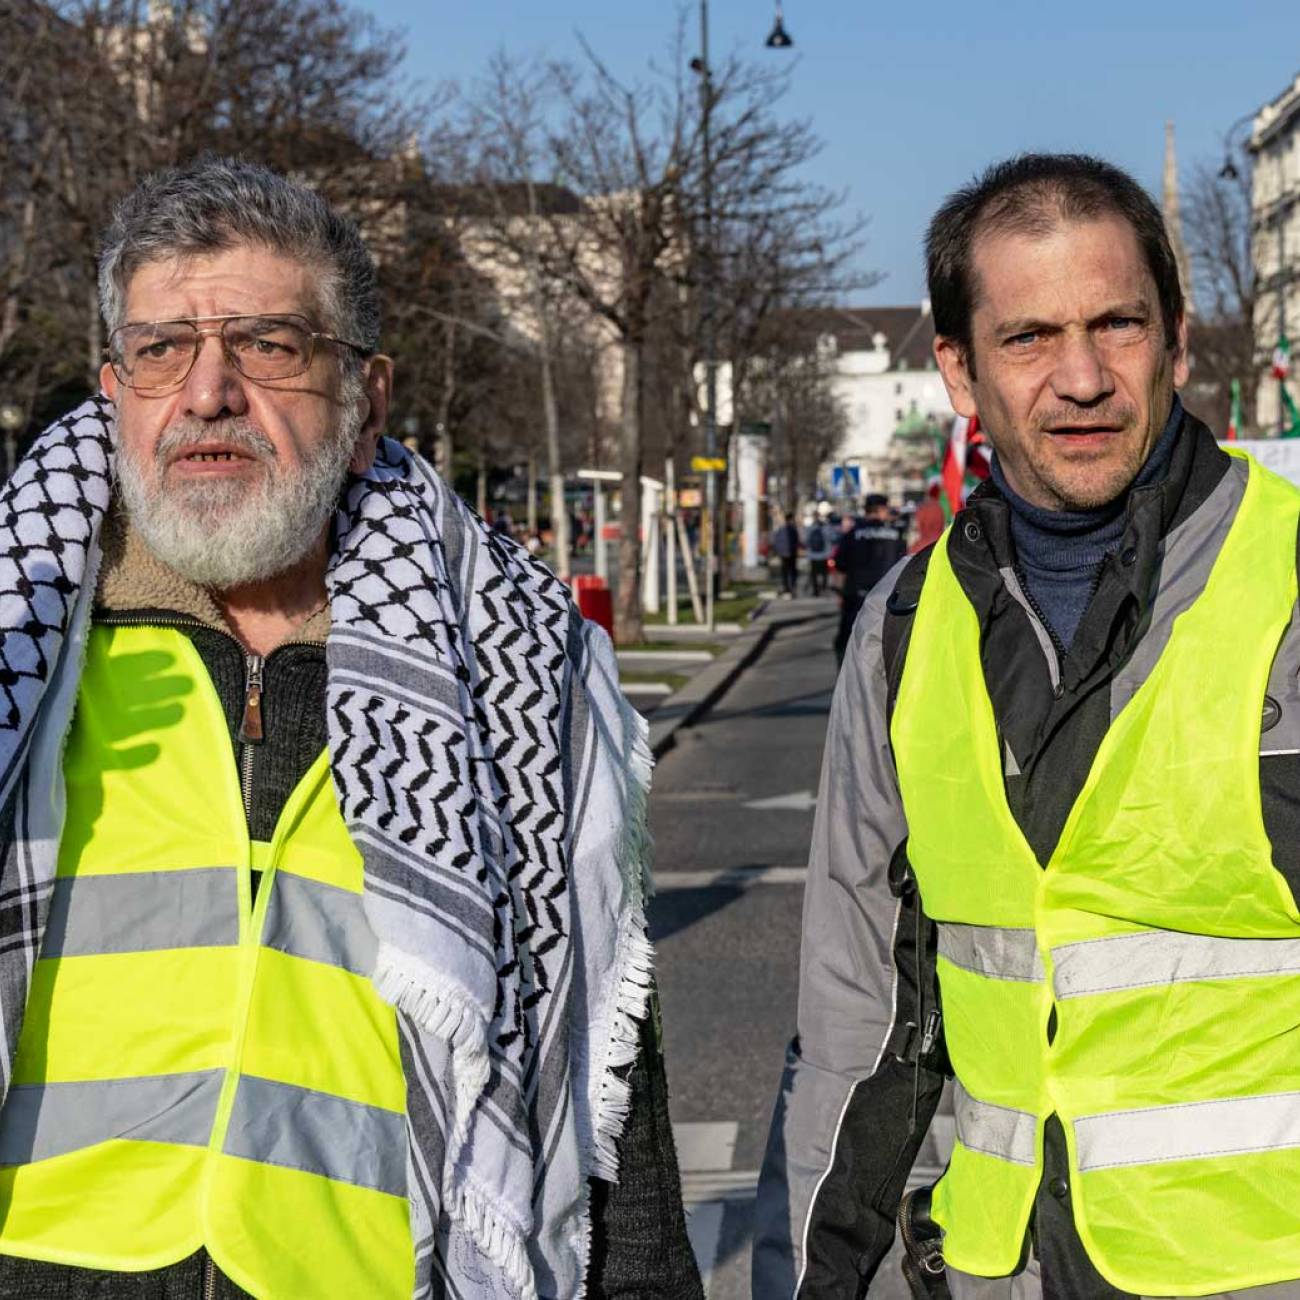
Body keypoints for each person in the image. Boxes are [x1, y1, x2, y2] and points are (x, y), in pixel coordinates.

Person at [0, 158, 700, 1300]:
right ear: (112, 389)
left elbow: (607, 1108)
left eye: (269, 344)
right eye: (161, 349)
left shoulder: (506, 679)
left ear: (367, 400)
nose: (208, 392)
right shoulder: (29, 657)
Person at [754, 151, 1300, 1300]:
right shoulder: (902, 630)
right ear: (956, 370)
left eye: (1117, 325)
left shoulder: (1287, 576)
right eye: (1029, 337)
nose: (1084, 377)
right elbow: (858, 1030)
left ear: (1178, 340)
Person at [828, 492, 906, 663]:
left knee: (848, 644)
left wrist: (840, 595)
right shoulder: (896, 535)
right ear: (880, 509)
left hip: (856, 598)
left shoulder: (852, 535)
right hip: (887, 601)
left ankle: (848, 682)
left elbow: (840, 568)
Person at [771, 512, 801, 598]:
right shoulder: (793, 530)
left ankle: (787, 588)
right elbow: (796, 542)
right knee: (792, 571)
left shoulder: (781, 530)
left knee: (785, 572)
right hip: (791, 554)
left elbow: (776, 542)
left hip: (784, 554)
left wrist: (779, 552)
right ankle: (791, 588)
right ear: (790, 519)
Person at [804, 514, 833, 596]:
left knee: (814, 574)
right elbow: (830, 539)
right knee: (824, 573)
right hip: (824, 555)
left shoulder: (809, 528)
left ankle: (816, 591)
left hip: (813, 556)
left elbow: (806, 541)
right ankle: (824, 589)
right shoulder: (826, 528)